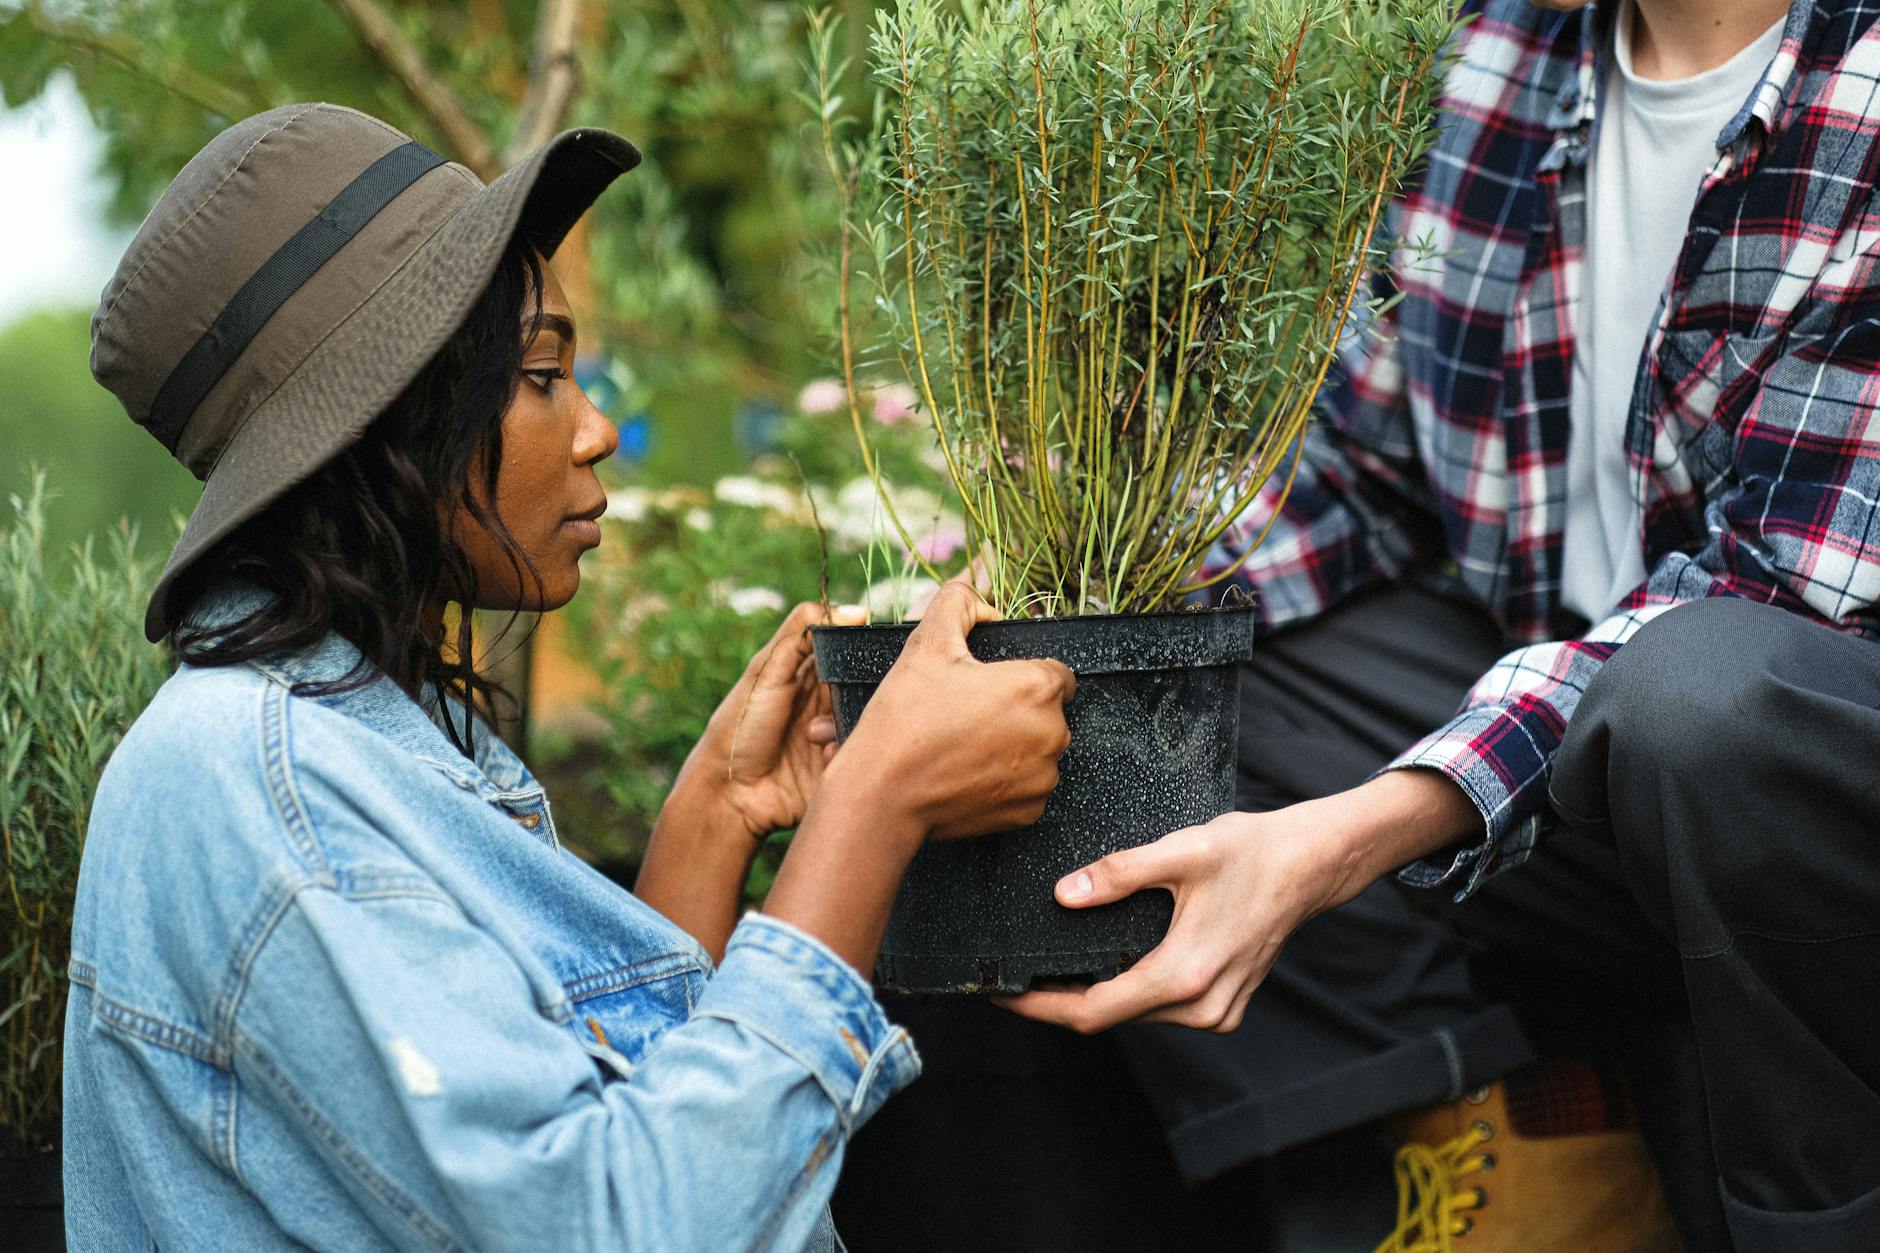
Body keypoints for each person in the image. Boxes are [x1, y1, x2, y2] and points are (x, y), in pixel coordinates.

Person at [836, 1, 1880, 1251]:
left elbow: (1772, 587)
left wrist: (1337, 838)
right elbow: (1360, 471)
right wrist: (1051, 610)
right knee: (1166, 683)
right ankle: (1503, 1155)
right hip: (1584, 744)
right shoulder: (1500, 49)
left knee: (1696, 699)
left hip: (1791, 776)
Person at [63, 103, 1076, 1252]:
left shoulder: (363, 733)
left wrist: (714, 814)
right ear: (387, 422)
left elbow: (595, 1120)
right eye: (542, 374)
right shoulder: (255, 787)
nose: (595, 429)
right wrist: (874, 802)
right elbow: (627, 1225)